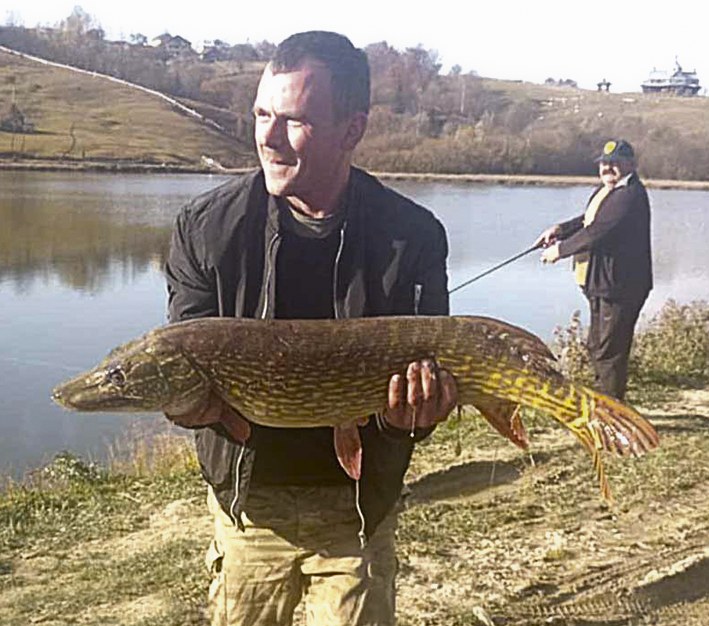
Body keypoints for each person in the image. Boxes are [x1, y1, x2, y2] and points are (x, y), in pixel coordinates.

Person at [163, 31, 458, 626]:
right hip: (251, 507)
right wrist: (184, 402)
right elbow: (186, 368)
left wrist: (416, 416)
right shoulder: (205, 228)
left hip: (355, 510)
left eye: (294, 120)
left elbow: (430, 385)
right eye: (261, 114)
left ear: (352, 130)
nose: (267, 137)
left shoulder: (413, 235)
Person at [536, 139, 652, 399]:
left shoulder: (629, 195)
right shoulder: (608, 191)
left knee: (609, 352)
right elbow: (588, 220)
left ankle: (613, 413)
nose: (608, 167)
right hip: (601, 284)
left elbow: (598, 231)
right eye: (604, 163)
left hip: (621, 287)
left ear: (631, 165)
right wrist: (560, 230)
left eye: (615, 163)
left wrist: (560, 251)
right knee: (597, 346)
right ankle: (606, 406)